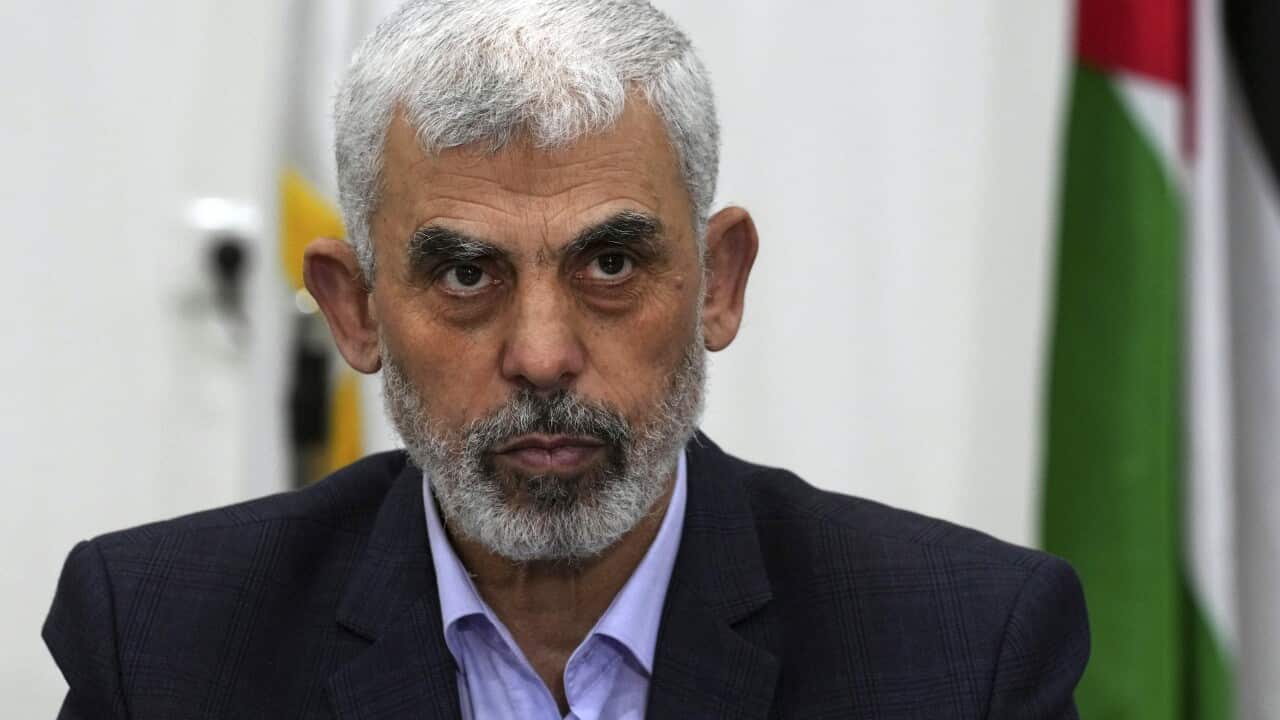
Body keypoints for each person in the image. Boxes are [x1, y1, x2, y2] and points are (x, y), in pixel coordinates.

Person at [43, 1, 1089, 717]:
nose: (541, 355)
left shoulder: (963, 652)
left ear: (718, 283)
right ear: (354, 310)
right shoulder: (163, 643)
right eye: (463, 275)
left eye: (610, 262)